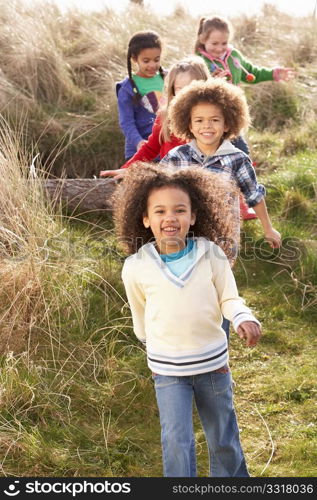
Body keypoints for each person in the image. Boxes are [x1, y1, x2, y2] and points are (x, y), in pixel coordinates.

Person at [112, 162, 262, 477]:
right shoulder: (136, 267)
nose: (170, 218)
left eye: (179, 210)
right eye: (160, 211)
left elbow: (229, 298)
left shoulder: (211, 254)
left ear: (193, 216)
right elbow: (141, 321)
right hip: (167, 373)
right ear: (145, 218)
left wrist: (242, 317)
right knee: (176, 441)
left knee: (223, 437)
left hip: (213, 366)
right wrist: (157, 352)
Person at [160, 78, 282, 249]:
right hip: (183, 237)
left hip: (223, 238)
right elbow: (157, 192)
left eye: (215, 120)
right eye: (199, 120)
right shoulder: (176, 157)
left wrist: (268, 229)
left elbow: (253, 195)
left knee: (217, 275)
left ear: (226, 124)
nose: (207, 126)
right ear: (190, 125)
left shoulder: (237, 159)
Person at [194, 15, 295, 219]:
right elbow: (191, 88)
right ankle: (214, 205)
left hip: (233, 116)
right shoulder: (199, 62)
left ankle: (239, 205)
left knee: (240, 155)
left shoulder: (234, 56)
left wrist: (274, 74)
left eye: (224, 42)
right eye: (214, 43)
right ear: (203, 39)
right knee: (219, 160)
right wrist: (209, 81)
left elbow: (252, 73)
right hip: (210, 121)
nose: (220, 48)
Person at [100, 56, 210, 178]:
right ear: (172, 90)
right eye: (180, 89)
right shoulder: (165, 116)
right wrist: (128, 169)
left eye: (191, 88)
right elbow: (151, 148)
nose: (185, 94)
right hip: (170, 183)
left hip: (201, 180)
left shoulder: (211, 120)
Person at [116, 30, 165, 160]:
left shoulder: (169, 78)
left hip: (166, 150)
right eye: (146, 61)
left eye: (156, 60)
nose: (152, 65)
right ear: (134, 59)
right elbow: (126, 122)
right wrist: (138, 142)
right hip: (139, 153)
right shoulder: (126, 88)